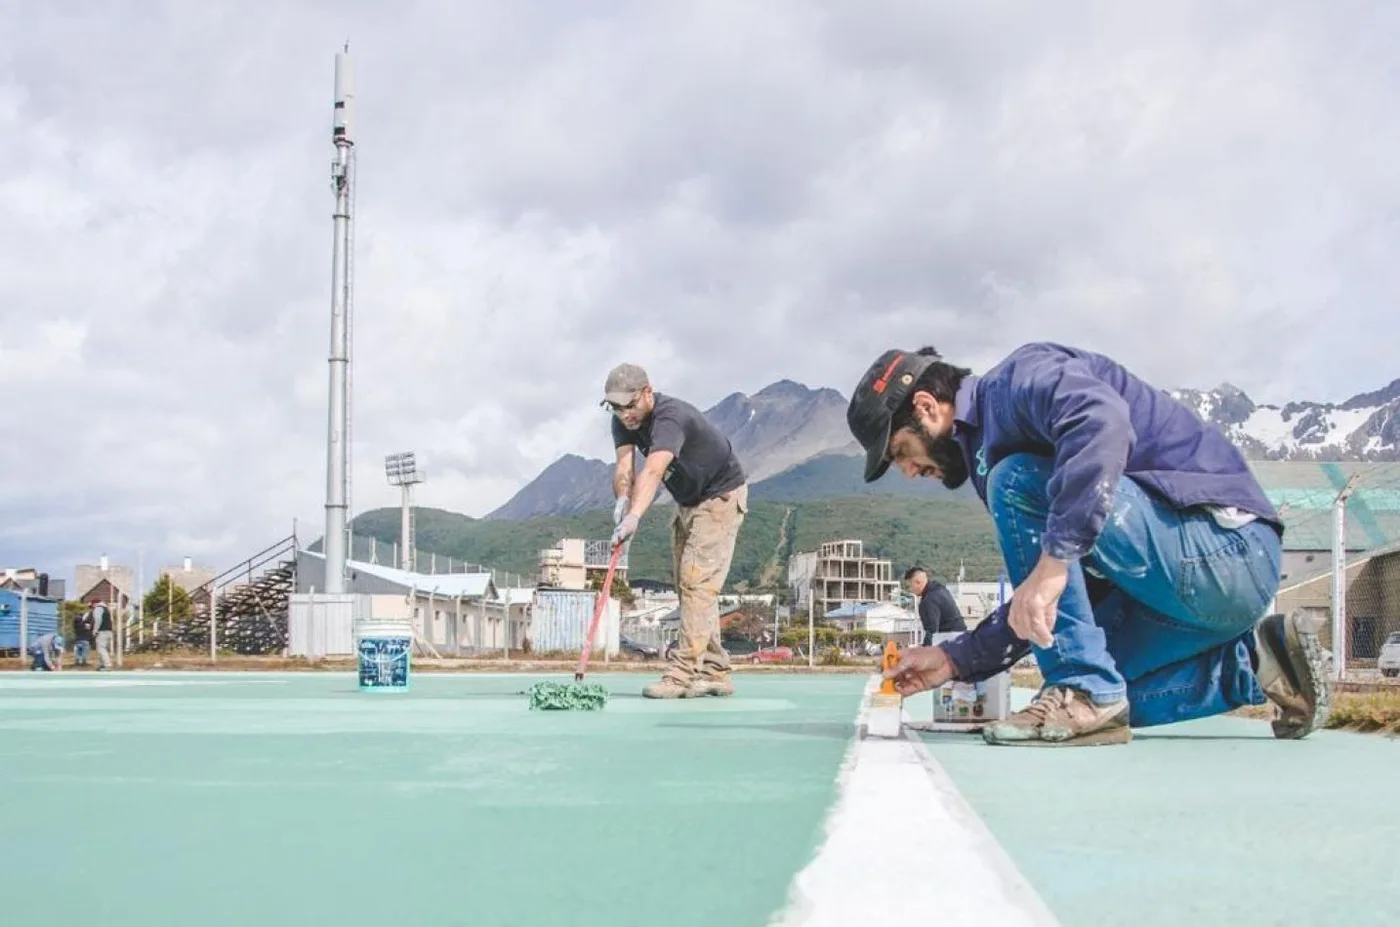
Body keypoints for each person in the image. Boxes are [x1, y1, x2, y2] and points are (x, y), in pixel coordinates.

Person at [846, 342, 1331, 746]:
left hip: (1227, 552)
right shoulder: (984, 456)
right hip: (1174, 591)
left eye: (901, 454)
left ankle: (1084, 684)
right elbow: (1050, 600)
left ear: (927, 407)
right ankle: (1257, 663)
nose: (909, 473)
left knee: (1015, 481)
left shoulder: (1014, 383)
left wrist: (1056, 560)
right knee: (1106, 699)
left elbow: (1100, 417)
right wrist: (954, 659)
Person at [604, 362, 748, 698]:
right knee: (689, 589)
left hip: (720, 496)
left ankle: (681, 675)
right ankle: (716, 671)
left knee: (697, 583)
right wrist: (622, 503)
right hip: (688, 502)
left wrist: (636, 517)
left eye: (630, 405)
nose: (625, 414)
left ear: (648, 393)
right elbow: (626, 468)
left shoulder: (670, 418)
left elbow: (653, 471)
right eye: (616, 407)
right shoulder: (622, 421)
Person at [903, 567, 967, 644]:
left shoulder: (929, 600)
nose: (910, 590)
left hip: (949, 639)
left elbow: (932, 631)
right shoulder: (941, 589)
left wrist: (924, 651)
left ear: (918, 582)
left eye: (910, 586)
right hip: (961, 637)